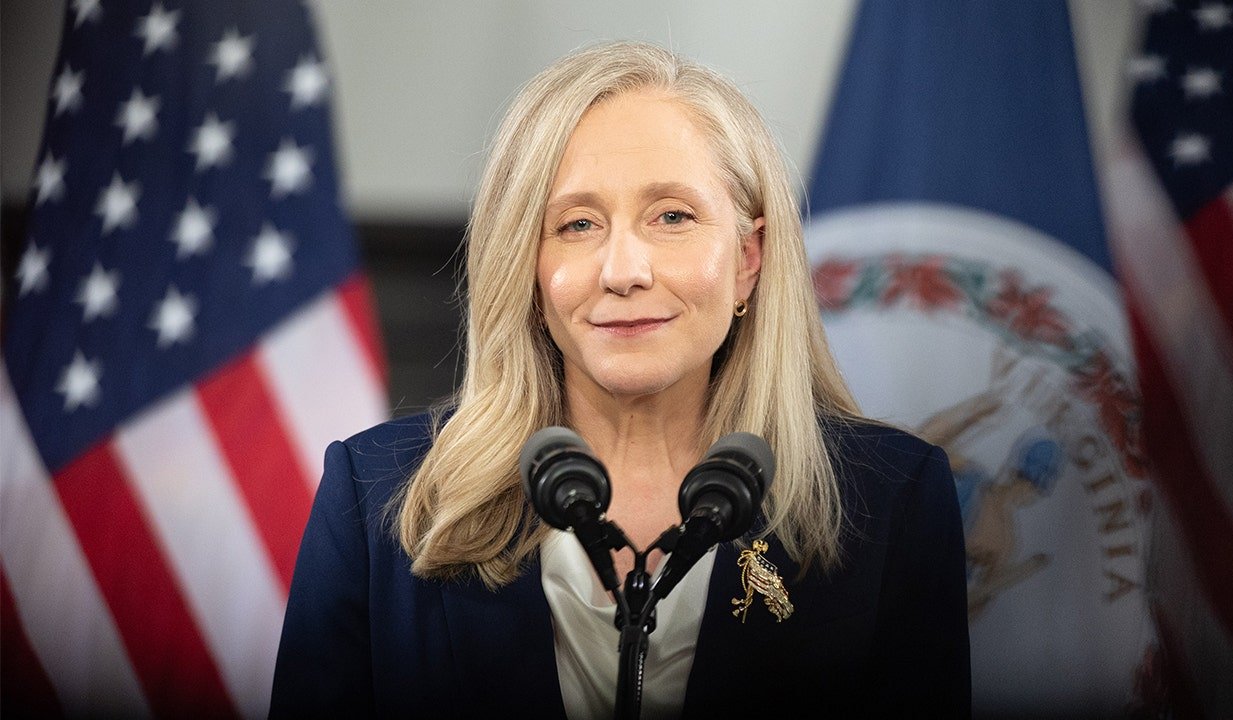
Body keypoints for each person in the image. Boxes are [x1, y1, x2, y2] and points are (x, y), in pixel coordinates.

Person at [270, 40, 970, 719]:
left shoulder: (894, 501)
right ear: (527, 269)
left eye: (673, 217)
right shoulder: (376, 497)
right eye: (577, 224)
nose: (624, 271)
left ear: (748, 260)